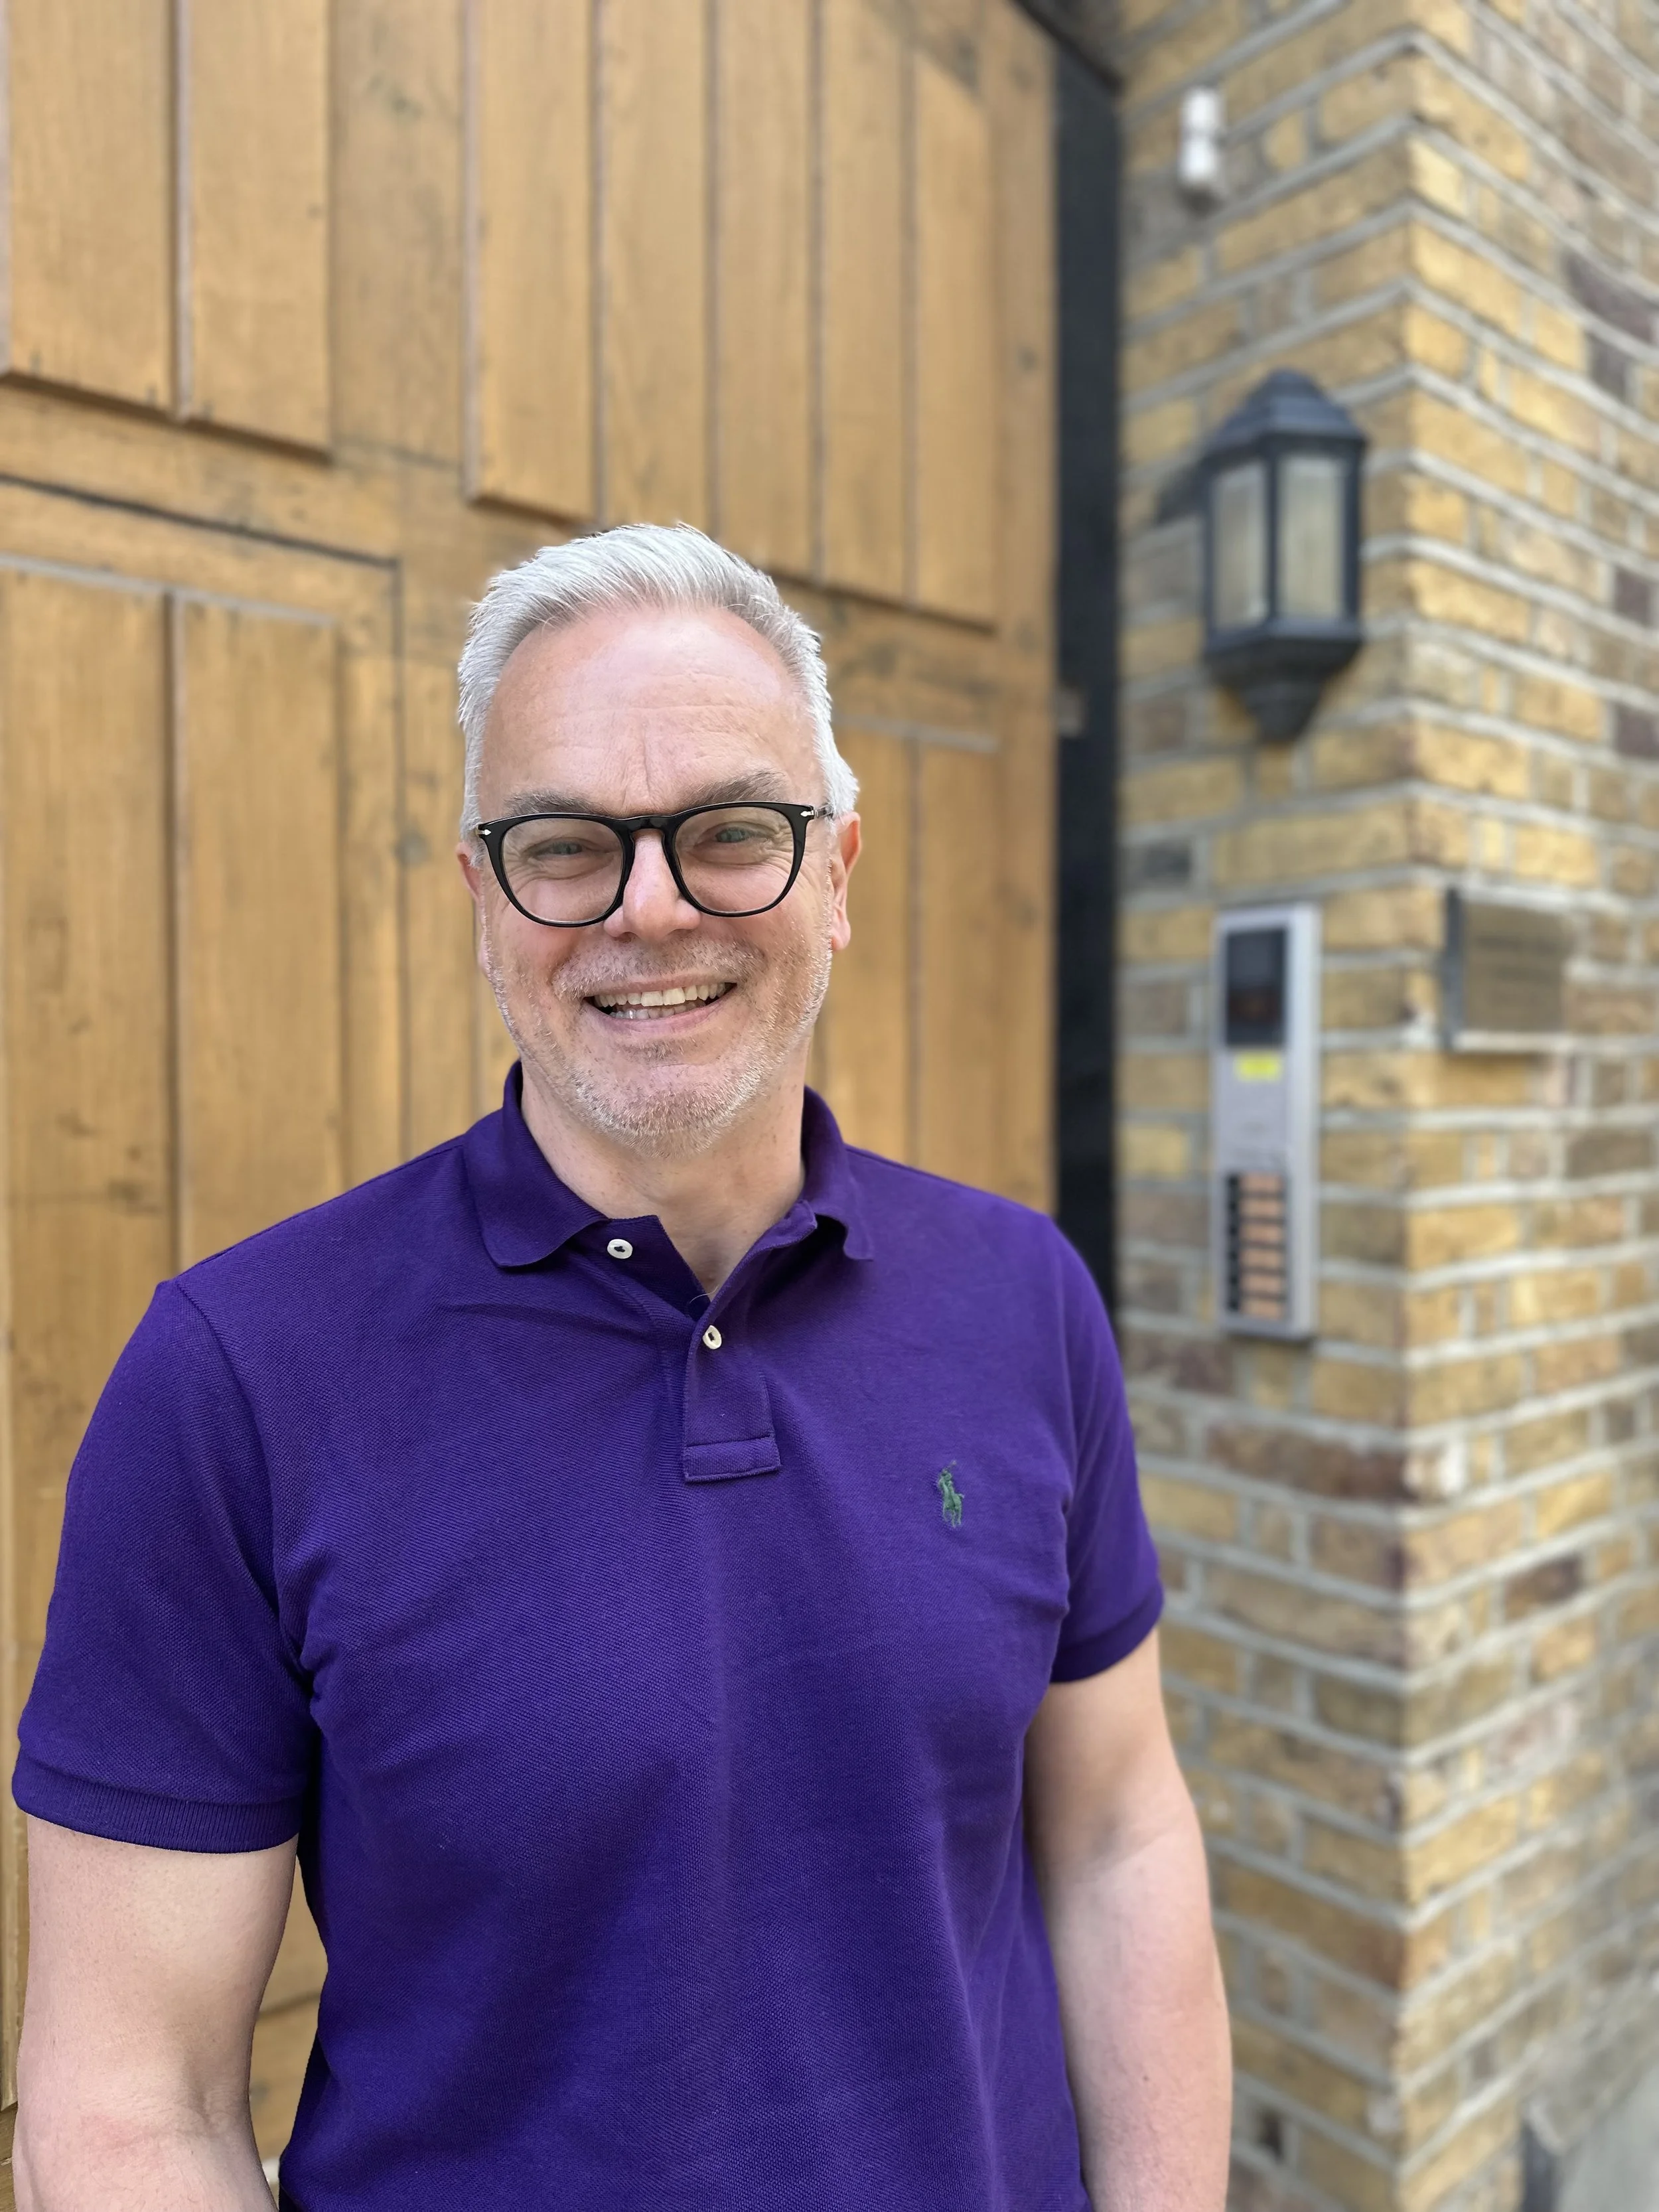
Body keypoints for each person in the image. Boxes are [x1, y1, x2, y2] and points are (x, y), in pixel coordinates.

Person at [13, 524, 1231, 2211]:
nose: (648, 908)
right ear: (482, 899)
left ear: (836, 873)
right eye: (566, 845)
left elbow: (1113, 1838)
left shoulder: (1021, 1297)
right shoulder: (236, 1380)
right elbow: (125, 2103)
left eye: (729, 832)